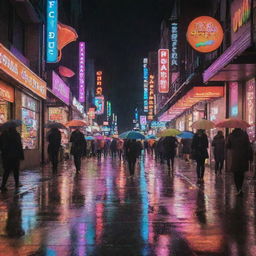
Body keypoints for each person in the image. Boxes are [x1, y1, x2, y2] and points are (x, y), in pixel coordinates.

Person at [227, 128, 253, 196]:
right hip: (243, 156)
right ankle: (240, 188)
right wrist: (250, 157)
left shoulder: (231, 135)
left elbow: (228, 146)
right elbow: (248, 146)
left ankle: (238, 189)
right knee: (241, 173)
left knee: (236, 173)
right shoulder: (245, 135)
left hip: (235, 157)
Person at [0, 127, 24, 191]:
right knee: (16, 171)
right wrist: (21, 156)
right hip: (15, 155)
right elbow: (20, 145)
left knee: (6, 171)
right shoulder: (17, 135)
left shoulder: (4, 135)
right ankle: (16, 184)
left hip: (6, 156)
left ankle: (3, 185)